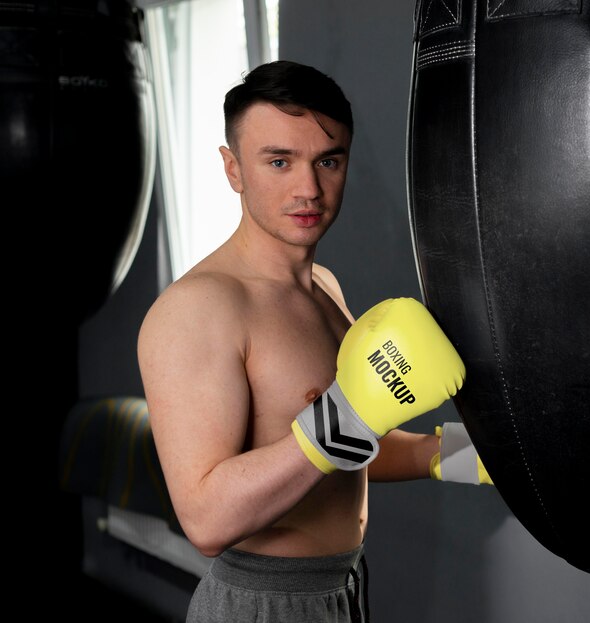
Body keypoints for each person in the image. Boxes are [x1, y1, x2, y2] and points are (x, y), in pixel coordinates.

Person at [137, 60, 489, 623]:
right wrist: (347, 417)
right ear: (233, 169)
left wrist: (467, 455)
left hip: (342, 588)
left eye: (328, 161)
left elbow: (342, 447)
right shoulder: (198, 309)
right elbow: (204, 520)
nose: (309, 189)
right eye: (279, 161)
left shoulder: (323, 285)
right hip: (263, 603)